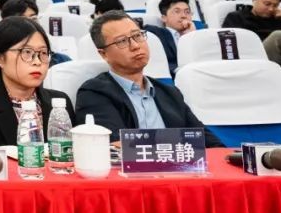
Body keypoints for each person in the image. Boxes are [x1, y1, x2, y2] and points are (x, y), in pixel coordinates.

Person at [76, 11, 221, 147]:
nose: (135, 46)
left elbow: (206, 141)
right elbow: (113, 147)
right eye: (122, 41)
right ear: (104, 54)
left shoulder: (170, 93)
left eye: (137, 36)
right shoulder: (94, 93)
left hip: (179, 163)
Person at [0, 17, 75, 150]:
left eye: (43, 53)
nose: (37, 62)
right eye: (27, 52)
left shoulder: (60, 102)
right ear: (0, 59)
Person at [221, 0, 281, 79]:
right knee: (277, 36)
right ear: (254, 0)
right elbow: (228, 45)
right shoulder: (236, 17)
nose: (271, 9)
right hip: (254, 57)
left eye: (275, 5)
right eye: (267, 4)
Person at [145, 0, 195, 75]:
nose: (184, 16)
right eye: (177, 11)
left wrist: (192, 36)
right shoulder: (155, 33)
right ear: (164, 18)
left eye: (187, 12)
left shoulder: (199, 35)